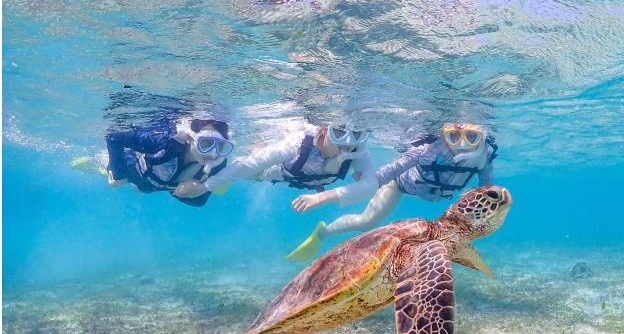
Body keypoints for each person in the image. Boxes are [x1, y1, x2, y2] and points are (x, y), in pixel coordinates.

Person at [287, 122, 498, 261]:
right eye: (453, 137)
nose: (462, 145)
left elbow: (487, 190)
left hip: (434, 194)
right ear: (444, 134)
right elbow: (391, 171)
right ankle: (323, 231)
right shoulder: (425, 150)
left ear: (482, 137)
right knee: (366, 222)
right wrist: (370, 180)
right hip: (399, 185)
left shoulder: (483, 157)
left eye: (472, 137)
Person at [174, 121, 379, 229]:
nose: (347, 142)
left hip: (314, 181)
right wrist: (205, 186)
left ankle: (317, 182)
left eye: (357, 134)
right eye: (339, 131)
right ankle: (256, 146)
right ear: (325, 129)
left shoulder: (357, 151)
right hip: (277, 173)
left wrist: (320, 197)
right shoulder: (298, 143)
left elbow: (371, 186)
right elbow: (248, 165)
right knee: (253, 171)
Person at [88, 117, 234, 207]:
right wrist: (118, 174)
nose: (213, 154)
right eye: (206, 144)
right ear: (190, 138)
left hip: (155, 186)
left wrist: (201, 188)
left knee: (140, 189)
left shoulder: (218, 162)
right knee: (115, 179)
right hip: (132, 172)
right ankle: (99, 164)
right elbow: (114, 137)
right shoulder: (163, 141)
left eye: (221, 146)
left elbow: (199, 202)